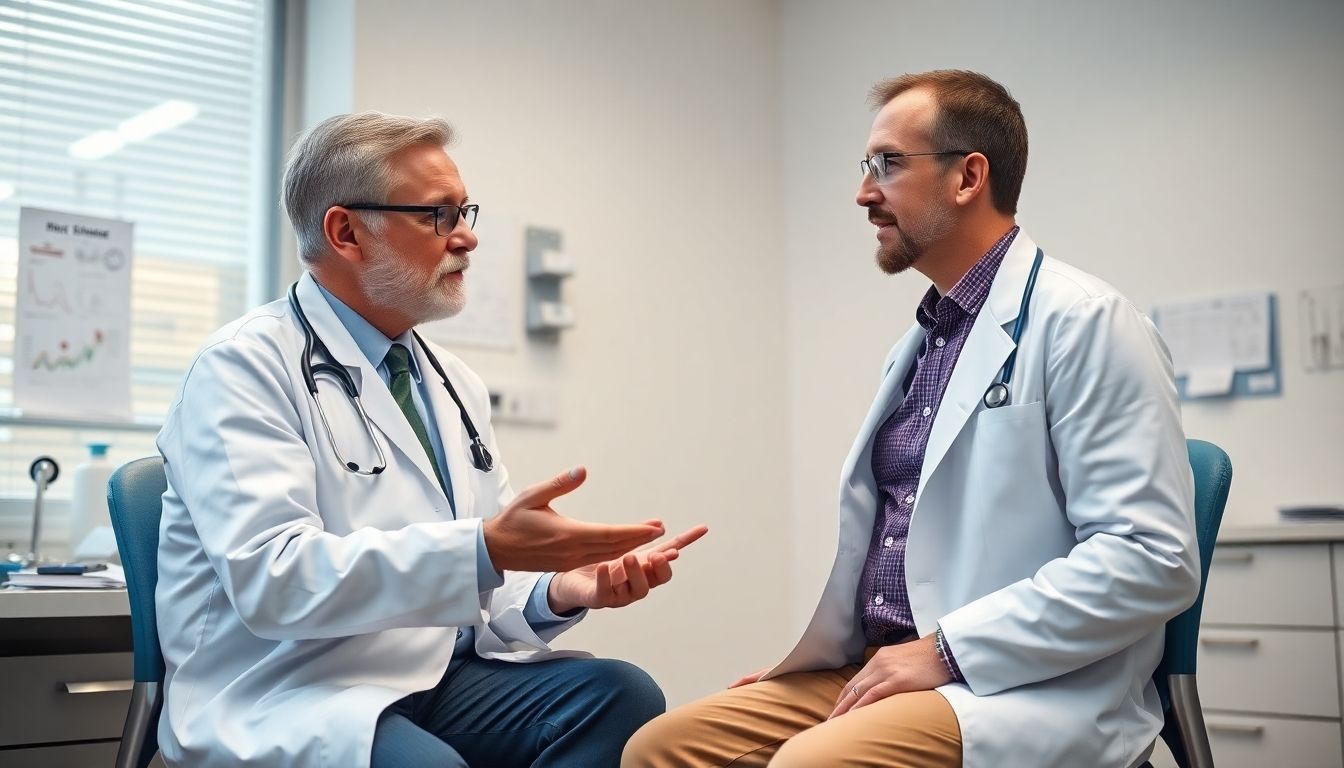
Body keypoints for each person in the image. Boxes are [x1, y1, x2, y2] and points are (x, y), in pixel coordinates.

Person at [623, 69, 1199, 768]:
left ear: (968, 177)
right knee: (663, 747)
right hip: (886, 662)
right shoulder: (925, 342)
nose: (864, 192)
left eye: (889, 164)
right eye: (867, 166)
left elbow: (1150, 559)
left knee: (809, 764)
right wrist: (816, 667)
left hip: (1021, 681)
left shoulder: (1087, 322)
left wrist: (947, 649)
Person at [155, 111, 707, 767]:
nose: (468, 238)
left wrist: (561, 591)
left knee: (618, 695)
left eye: (464, 212)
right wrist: (485, 548)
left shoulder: (449, 381)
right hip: (287, 693)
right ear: (346, 232)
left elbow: (483, 586)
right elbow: (275, 582)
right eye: (438, 216)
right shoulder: (242, 367)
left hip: (428, 679)